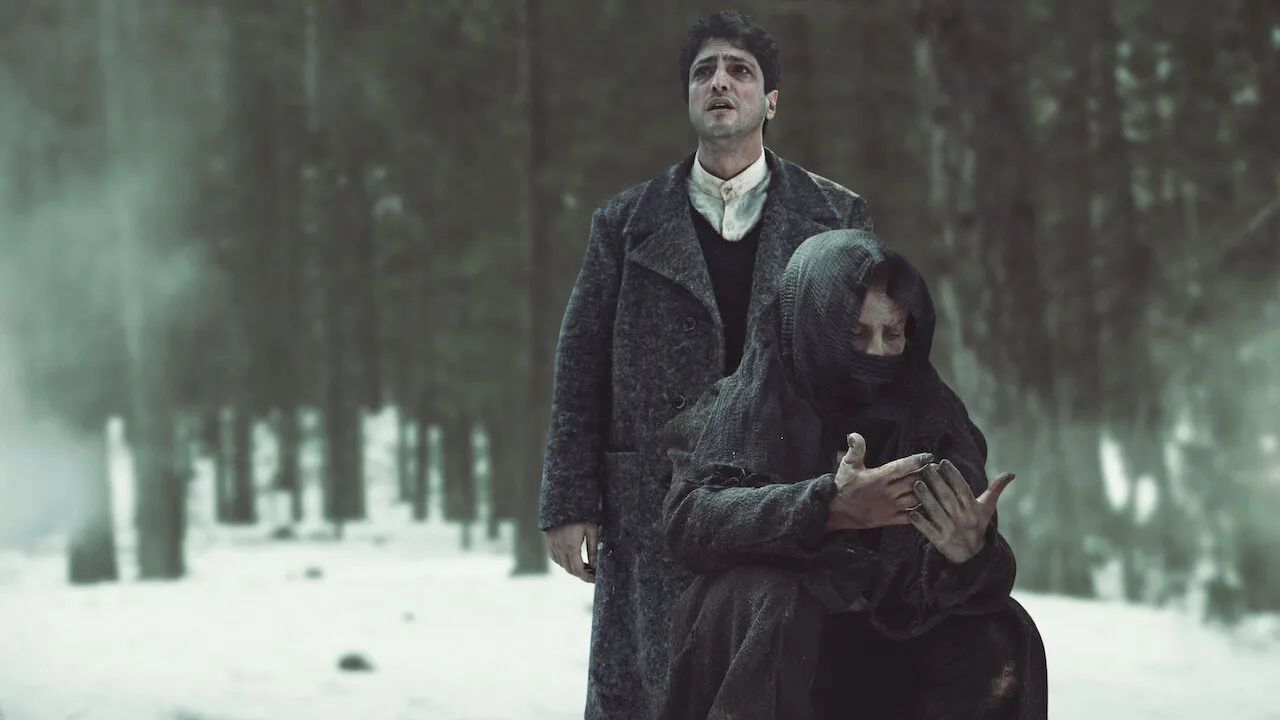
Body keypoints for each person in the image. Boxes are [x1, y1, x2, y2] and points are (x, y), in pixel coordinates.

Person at [537, 10, 900, 720]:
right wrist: (569, 501)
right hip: (653, 502)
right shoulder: (625, 223)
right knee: (654, 689)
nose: (720, 82)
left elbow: (874, 360)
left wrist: (865, 484)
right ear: (689, 97)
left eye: (740, 70)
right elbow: (581, 364)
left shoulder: (835, 216)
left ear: (771, 100)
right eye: (704, 71)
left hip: (788, 494)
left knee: (778, 684)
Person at [657, 229, 1049, 719]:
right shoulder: (739, 406)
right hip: (766, 635)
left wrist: (968, 554)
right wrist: (829, 508)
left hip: (881, 641)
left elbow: (959, 578)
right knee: (775, 600)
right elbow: (690, 522)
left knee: (1002, 629)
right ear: (812, 327)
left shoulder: (933, 417)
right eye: (856, 335)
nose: (879, 353)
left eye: (893, 334)